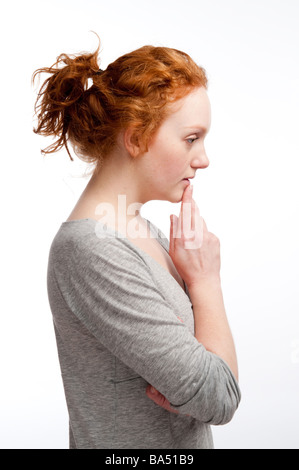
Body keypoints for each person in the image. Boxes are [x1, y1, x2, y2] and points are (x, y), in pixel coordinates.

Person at [33, 37, 241, 449]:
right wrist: (206, 283)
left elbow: (212, 386)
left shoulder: (142, 233)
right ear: (135, 138)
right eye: (190, 138)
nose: (203, 159)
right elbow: (219, 397)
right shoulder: (92, 251)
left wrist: (202, 381)